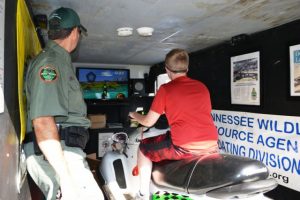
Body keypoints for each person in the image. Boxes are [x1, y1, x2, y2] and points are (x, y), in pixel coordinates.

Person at [23, 7, 104, 200]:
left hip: (63, 150)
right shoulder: (50, 63)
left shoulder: (59, 61)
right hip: (59, 152)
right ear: (75, 32)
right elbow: (43, 121)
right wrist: (65, 178)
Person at [129, 49, 219, 200]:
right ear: (187, 69)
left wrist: (134, 115)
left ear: (166, 69)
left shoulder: (165, 90)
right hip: (211, 144)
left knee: (144, 148)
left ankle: (143, 194)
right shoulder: (202, 87)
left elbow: (148, 122)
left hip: (183, 147)